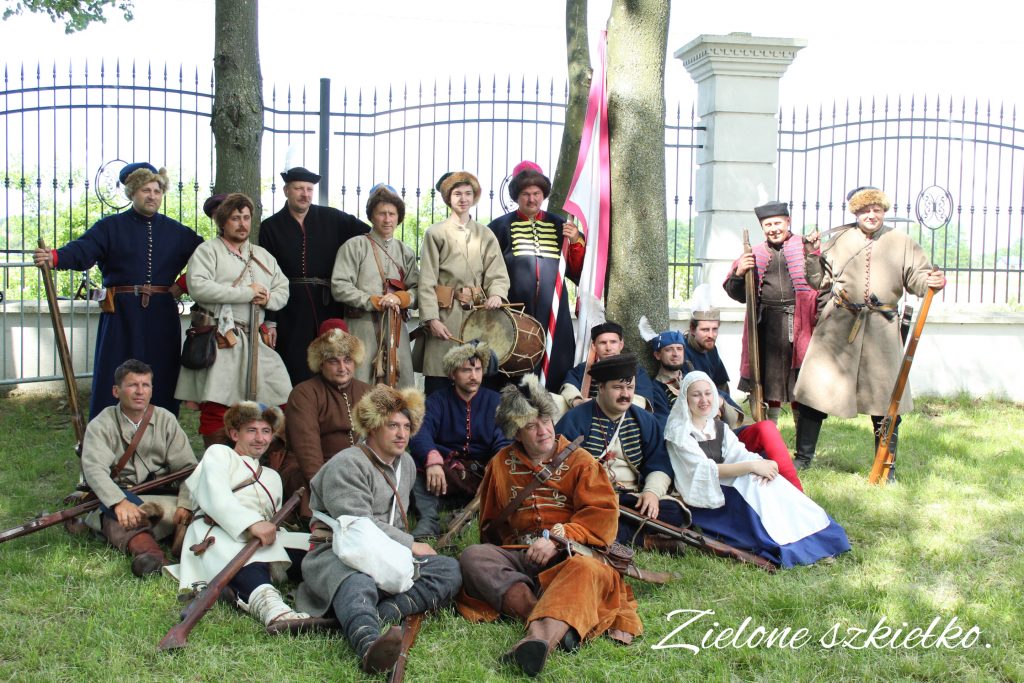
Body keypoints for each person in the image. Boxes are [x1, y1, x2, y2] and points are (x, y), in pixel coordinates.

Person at [457, 375, 641, 677]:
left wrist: (559, 539)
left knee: (588, 569)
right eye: (531, 426)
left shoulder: (582, 462)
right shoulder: (500, 464)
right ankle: (557, 615)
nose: (543, 431)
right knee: (473, 556)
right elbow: (490, 525)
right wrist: (506, 559)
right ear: (517, 433)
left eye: (545, 421)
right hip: (523, 555)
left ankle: (538, 639)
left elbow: (602, 517)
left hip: (572, 555)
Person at [295, 385, 462, 675]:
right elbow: (357, 524)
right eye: (393, 425)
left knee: (449, 570)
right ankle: (369, 643)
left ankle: (384, 613)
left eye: (407, 427)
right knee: (357, 582)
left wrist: (404, 549)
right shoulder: (347, 464)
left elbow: (394, 523)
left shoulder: (406, 464)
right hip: (339, 552)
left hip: (388, 553)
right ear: (372, 427)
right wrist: (410, 544)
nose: (402, 434)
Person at [792, 187, 946, 471]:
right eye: (865, 210)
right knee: (815, 392)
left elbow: (918, 280)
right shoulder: (839, 239)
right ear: (856, 212)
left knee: (886, 400)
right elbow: (818, 282)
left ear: (884, 211)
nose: (871, 215)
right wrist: (811, 254)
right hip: (837, 325)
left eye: (876, 209)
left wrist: (932, 281)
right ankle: (803, 459)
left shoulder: (901, 242)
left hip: (881, 329)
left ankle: (885, 465)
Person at [33, 162, 203, 418]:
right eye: (145, 190)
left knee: (162, 371)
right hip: (121, 315)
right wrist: (54, 257)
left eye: (157, 191)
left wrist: (181, 285)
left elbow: (208, 259)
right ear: (132, 192)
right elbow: (83, 250)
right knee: (117, 370)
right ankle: (109, 430)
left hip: (161, 315)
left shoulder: (178, 232)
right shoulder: (110, 227)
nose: (152, 196)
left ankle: (159, 430)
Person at [665, 372, 851, 568]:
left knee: (770, 481)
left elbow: (738, 453)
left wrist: (763, 465)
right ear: (685, 399)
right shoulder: (680, 433)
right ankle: (789, 546)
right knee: (751, 485)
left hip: (726, 483)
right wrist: (752, 466)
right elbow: (703, 470)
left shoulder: (718, 427)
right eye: (696, 395)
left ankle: (817, 537)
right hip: (704, 496)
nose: (704, 400)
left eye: (708, 393)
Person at [172, 402, 309, 628]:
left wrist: (264, 528)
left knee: (319, 549)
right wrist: (251, 524)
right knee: (245, 559)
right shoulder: (219, 453)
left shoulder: (272, 476)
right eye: (252, 430)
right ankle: (274, 611)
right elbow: (216, 498)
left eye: (266, 431)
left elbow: (271, 520)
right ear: (235, 434)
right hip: (217, 531)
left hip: (261, 535)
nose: (260, 438)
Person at [174, 193, 292, 447]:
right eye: (235, 218)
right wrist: (245, 293)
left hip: (256, 339)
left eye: (246, 218)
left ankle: (267, 457)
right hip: (222, 339)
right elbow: (199, 287)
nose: (242, 224)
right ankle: (218, 457)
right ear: (223, 222)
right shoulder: (208, 251)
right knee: (218, 403)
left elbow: (283, 288)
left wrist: (268, 298)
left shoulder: (263, 255)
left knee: (279, 394)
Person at [555, 354, 690, 554]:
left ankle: (612, 533)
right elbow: (560, 467)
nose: (626, 394)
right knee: (584, 514)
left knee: (673, 511)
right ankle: (645, 541)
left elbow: (659, 462)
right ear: (601, 388)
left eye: (630, 388)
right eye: (618, 388)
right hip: (591, 498)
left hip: (630, 498)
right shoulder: (575, 419)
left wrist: (651, 493)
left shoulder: (644, 420)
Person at [647, 324, 803, 490]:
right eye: (669, 350)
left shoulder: (696, 379)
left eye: (679, 349)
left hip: (725, 437)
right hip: (696, 446)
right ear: (658, 354)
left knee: (766, 428)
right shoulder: (656, 389)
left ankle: (795, 489)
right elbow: (667, 429)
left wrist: (721, 404)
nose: (675, 354)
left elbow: (735, 415)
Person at [79, 359, 197, 577]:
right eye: (132, 385)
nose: (140, 391)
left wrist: (186, 504)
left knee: (202, 512)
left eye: (145, 385)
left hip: (163, 497)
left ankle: (188, 544)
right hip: (123, 495)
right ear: (116, 391)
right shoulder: (101, 424)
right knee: (122, 518)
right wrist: (119, 502)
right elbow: (95, 470)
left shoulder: (166, 420)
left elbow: (188, 468)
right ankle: (153, 557)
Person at [259, 164, 369, 385]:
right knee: (295, 363)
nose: (305, 194)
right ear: (286, 191)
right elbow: (266, 275)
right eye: (299, 188)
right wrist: (271, 321)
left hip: (328, 304)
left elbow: (369, 234)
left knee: (333, 359)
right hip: (289, 308)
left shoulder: (332, 218)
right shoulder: (271, 226)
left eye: (309, 189)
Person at [488, 161, 584, 391]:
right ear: (516, 196)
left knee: (556, 365)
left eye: (536, 194)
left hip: (554, 310)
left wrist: (575, 241)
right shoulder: (498, 227)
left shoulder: (561, 225)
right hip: (515, 310)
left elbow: (578, 270)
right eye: (526, 194)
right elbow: (488, 269)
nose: (532, 199)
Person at [723, 201, 821, 424]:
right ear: (762, 227)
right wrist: (739, 272)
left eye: (778, 223)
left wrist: (813, 252)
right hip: (765, 327)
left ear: (788, 222)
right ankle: (770, 433)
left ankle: (802, 438)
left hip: (800, 326)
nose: (774, 229)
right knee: (769, 383)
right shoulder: (754, 253)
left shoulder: (805, 247)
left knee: (800, 383)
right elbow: (738, 294)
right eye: (768, 225)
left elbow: (820, 284)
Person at [416, 171, 510, 396]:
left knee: (475, 379)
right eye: (457, 193)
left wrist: (496, 294)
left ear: (474, 197)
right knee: (439, 385)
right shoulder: (435, 233)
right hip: (444, 317)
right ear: (448, 198)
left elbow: (497, 273)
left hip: (477, 317)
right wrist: (431, 319)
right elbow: (426, 280)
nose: (463, 198)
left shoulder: (485, 234)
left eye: (468, 193)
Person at [408, 341, 510, 539]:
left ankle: (465, 510)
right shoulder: (438, 400)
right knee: (413, 464)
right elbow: (419, 430)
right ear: (452, 374)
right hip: (447, 471)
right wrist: (432, 459)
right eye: (466, 370)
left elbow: (504, 441)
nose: (473, 376)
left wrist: (493, 470)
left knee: (506, 475)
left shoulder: (496, 402)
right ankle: (428, 520)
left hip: (481, 475)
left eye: (478, 370)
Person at [276, 319, 371, 519]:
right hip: (314, 469)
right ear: (321, 363)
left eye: (347, 360)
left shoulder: (367, 391)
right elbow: (307, 448)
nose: (342, 367)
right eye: (334, 361)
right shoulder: (304, 393)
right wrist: (325, 485)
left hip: (358, 467)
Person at [331, 184, 419, 388]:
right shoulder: (354, 246)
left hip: (396, 329)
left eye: (392, 214)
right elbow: (339, 286)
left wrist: (400, 298)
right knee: (360, 386)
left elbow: (418, 290)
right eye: (382, 213)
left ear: (398, 218)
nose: (387, 219)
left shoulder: (405, 252)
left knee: (401, 389)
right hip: (361, 328)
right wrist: (372, 301)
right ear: (372, 216)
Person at [559, 321, 663, 414]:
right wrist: (578, 402)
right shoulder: (583, 369)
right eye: (603, 343)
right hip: (586, 415)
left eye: (613, 342)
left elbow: (641, 401)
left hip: (623, 419)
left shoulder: (636, 370)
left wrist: (605, 406)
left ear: (621, 345)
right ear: (594, 346)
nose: (608, 348)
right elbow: (569, 386)